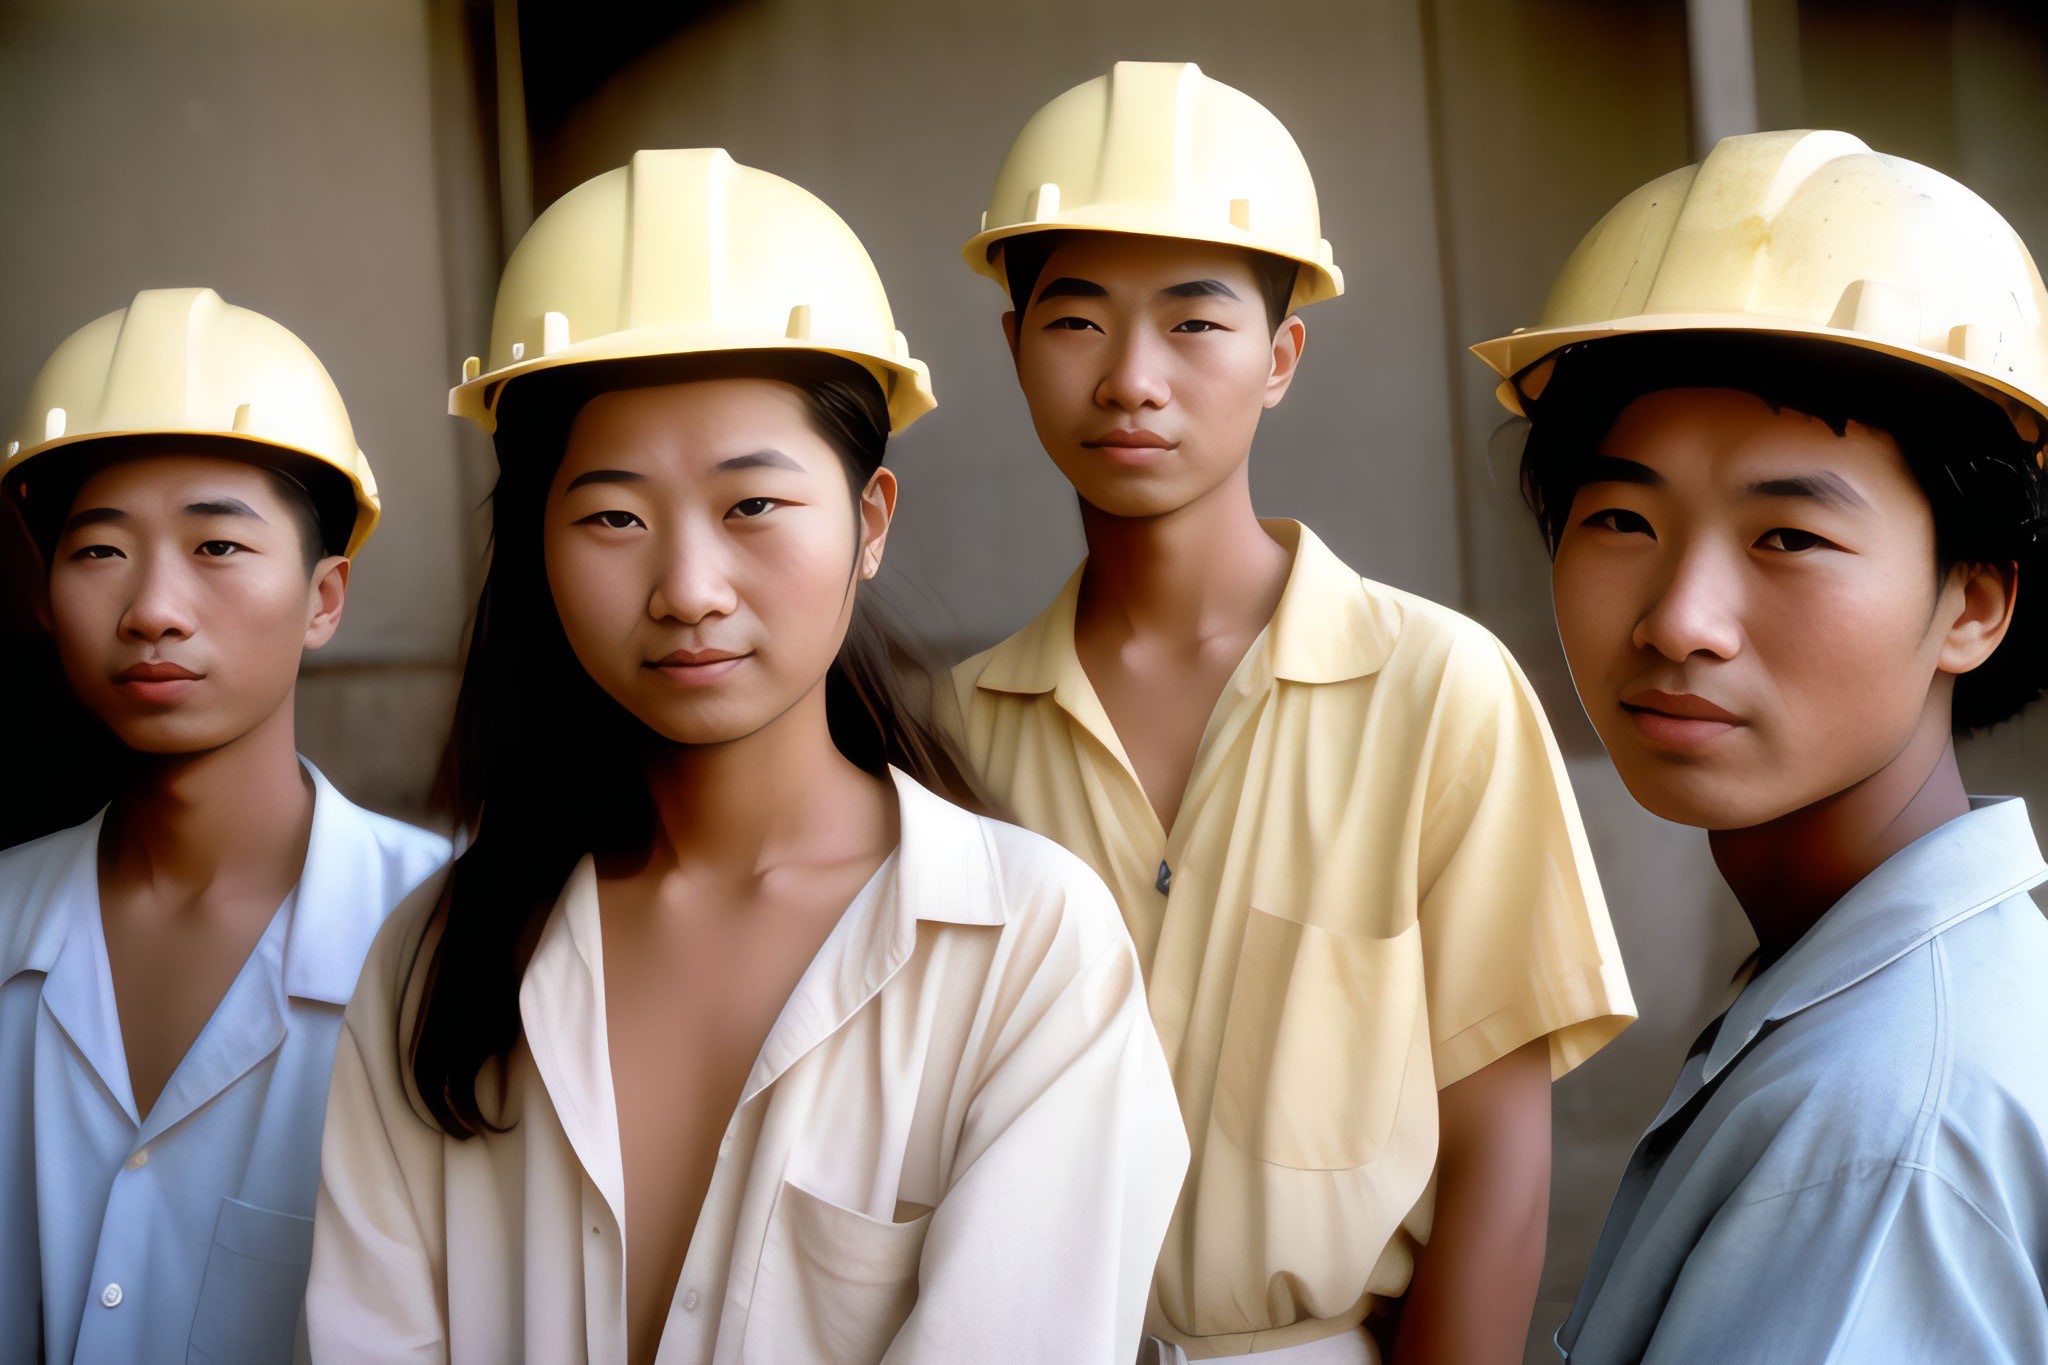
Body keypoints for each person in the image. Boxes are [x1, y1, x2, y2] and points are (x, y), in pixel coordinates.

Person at [305, 148, 1188, 1365]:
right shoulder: (430, 964)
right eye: (612, 516)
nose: (687, 589)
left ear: (869, 520)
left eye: (751, 507)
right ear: (538, 545)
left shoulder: (1030, 951)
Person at [942, 62, 1635, 1364]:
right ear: (1016, 348)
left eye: (1195, 323)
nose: (1132, 378)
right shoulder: (947, 740)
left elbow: (1502, 1176)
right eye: (1078, 319)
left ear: (1281, 357)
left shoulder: (1440, 693)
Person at [1474, 127, 2048, 1363]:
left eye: (1786, 537)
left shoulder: (1881, 1129)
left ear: (1972, 603)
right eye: (1621, 516)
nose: (1677, 619)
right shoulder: (1871, 995)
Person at [0, 286, 451, 1363]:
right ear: (42, 593)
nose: (153, 606)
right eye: (100, 549)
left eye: (216, 546)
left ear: (324, 597)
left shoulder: (452, 931)